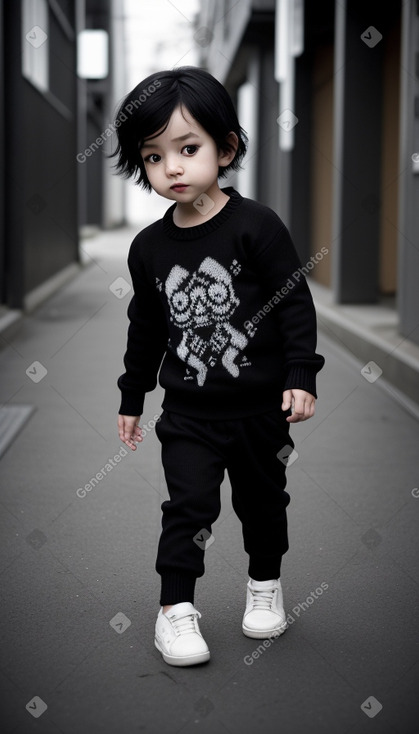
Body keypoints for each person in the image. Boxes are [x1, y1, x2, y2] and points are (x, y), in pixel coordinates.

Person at [112, 66, 325, 667]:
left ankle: (265, 587)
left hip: (260, 412)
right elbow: (147, 329)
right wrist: (133, 398)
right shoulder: (148, 249)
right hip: (189, 414)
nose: (171, 168)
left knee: (263, 504)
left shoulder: (257, 226)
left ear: (226, 147)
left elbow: (293, 306)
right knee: (188, 508)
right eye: (153, 157)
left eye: (187, 149)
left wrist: (300, 375)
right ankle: (174, 611)